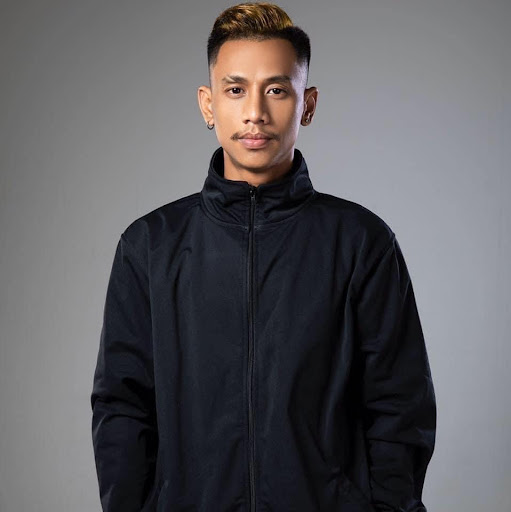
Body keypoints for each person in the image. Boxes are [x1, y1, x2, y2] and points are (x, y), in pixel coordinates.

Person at [90, 2, 436, 511]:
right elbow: (123, 407)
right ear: (208, 104)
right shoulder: (149, 245)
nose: (255, 111)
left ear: (307, 104)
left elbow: (399, 406)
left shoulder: (361, 242)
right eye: (235, 90)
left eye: (276, 89)